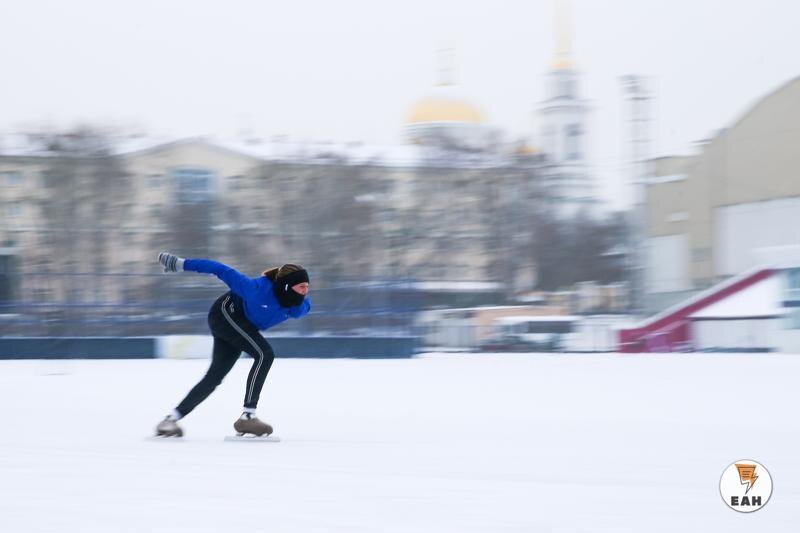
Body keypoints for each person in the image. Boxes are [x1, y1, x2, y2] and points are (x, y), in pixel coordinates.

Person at [154, 252, 311, 437]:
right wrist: (180, 264)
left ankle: (169, 420)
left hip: (242, 327)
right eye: (301, 287)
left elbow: (301, 306)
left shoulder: (299, 308)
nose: (305, 291)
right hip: (225, 314)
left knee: (214, 377)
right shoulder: (256, 289)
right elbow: (219, 269)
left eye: (307, 287)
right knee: (264, 354)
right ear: (286, 286)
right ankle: (248, 417)